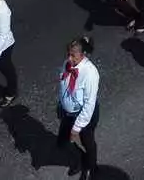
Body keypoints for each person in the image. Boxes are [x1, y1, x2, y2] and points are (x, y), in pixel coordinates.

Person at [57, 35, 101, 180]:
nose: (69, 59)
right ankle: (81, 160)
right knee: (63, 141)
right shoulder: (68, 64)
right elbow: (63, 86)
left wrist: (77, 127)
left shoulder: (90, 73)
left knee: (87, 142)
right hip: (68, 113)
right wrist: (61, 104)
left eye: (73, 55)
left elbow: (89, 104)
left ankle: (92, 168)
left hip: (83, 115)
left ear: (83, 54)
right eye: (68, 54)